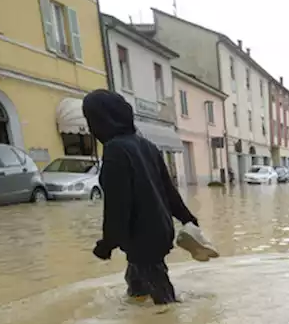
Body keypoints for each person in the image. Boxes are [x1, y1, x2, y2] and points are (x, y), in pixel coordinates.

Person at [82, 89, 207, 305]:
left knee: (163, 300)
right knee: (137, 283)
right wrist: (187, 219)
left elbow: (117, 206)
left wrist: (107, 243)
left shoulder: (115, 151)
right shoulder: (147, 146)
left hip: (142, 238)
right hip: (160, 230)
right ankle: (140, 308)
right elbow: (169, 191)